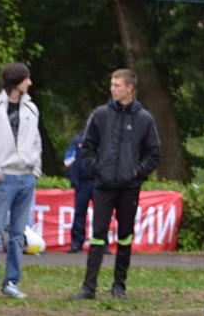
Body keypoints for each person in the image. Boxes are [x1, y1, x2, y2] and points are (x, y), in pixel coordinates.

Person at [68, 69, 161, 301]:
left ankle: (119, 286)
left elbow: (154, 153)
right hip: (103, 186)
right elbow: (87, 147)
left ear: (130, 88)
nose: (112, 89)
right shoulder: (100, 115)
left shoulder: (145, 119)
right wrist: (98, 169)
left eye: (117, 85)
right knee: (98, 235)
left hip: (129, 188)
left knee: (125, 236)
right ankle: (89, 287)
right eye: (111, 84)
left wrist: (137, 171)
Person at [0, 62, 41, 299]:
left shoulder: (31, 108)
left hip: (26, 177)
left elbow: (36, 141)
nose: (30, 83)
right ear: (16, 81)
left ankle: (12, 281)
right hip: (4, 178)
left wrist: (35, 171)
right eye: (26, 78)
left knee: (18, 235)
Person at [63, 127, 93, 253]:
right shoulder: (78, 139)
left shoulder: (104, 138)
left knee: (102, 215)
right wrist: (72, 176)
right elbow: (68, 159)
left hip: (100, 183)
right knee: (80, 213)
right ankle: (76, 242)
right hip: (82, 182)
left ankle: (102, 243)